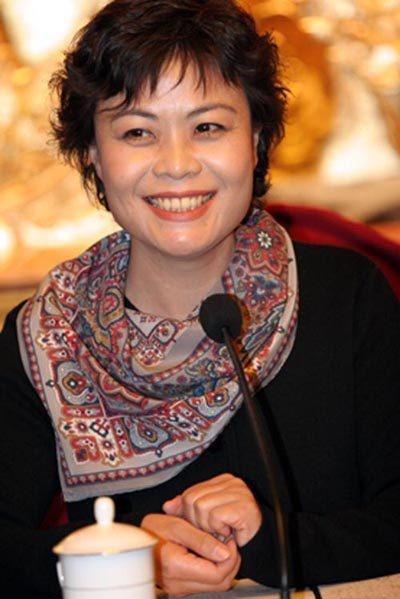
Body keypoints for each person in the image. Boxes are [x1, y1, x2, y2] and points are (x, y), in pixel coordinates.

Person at [0, 1, 399, 597]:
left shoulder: (348, 297)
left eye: (207, 127)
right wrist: (124, 559)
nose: (177, 165)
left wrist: (273, 540)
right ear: (92, 155)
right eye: (138, 132)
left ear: (256, 139)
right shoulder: (48, 335)